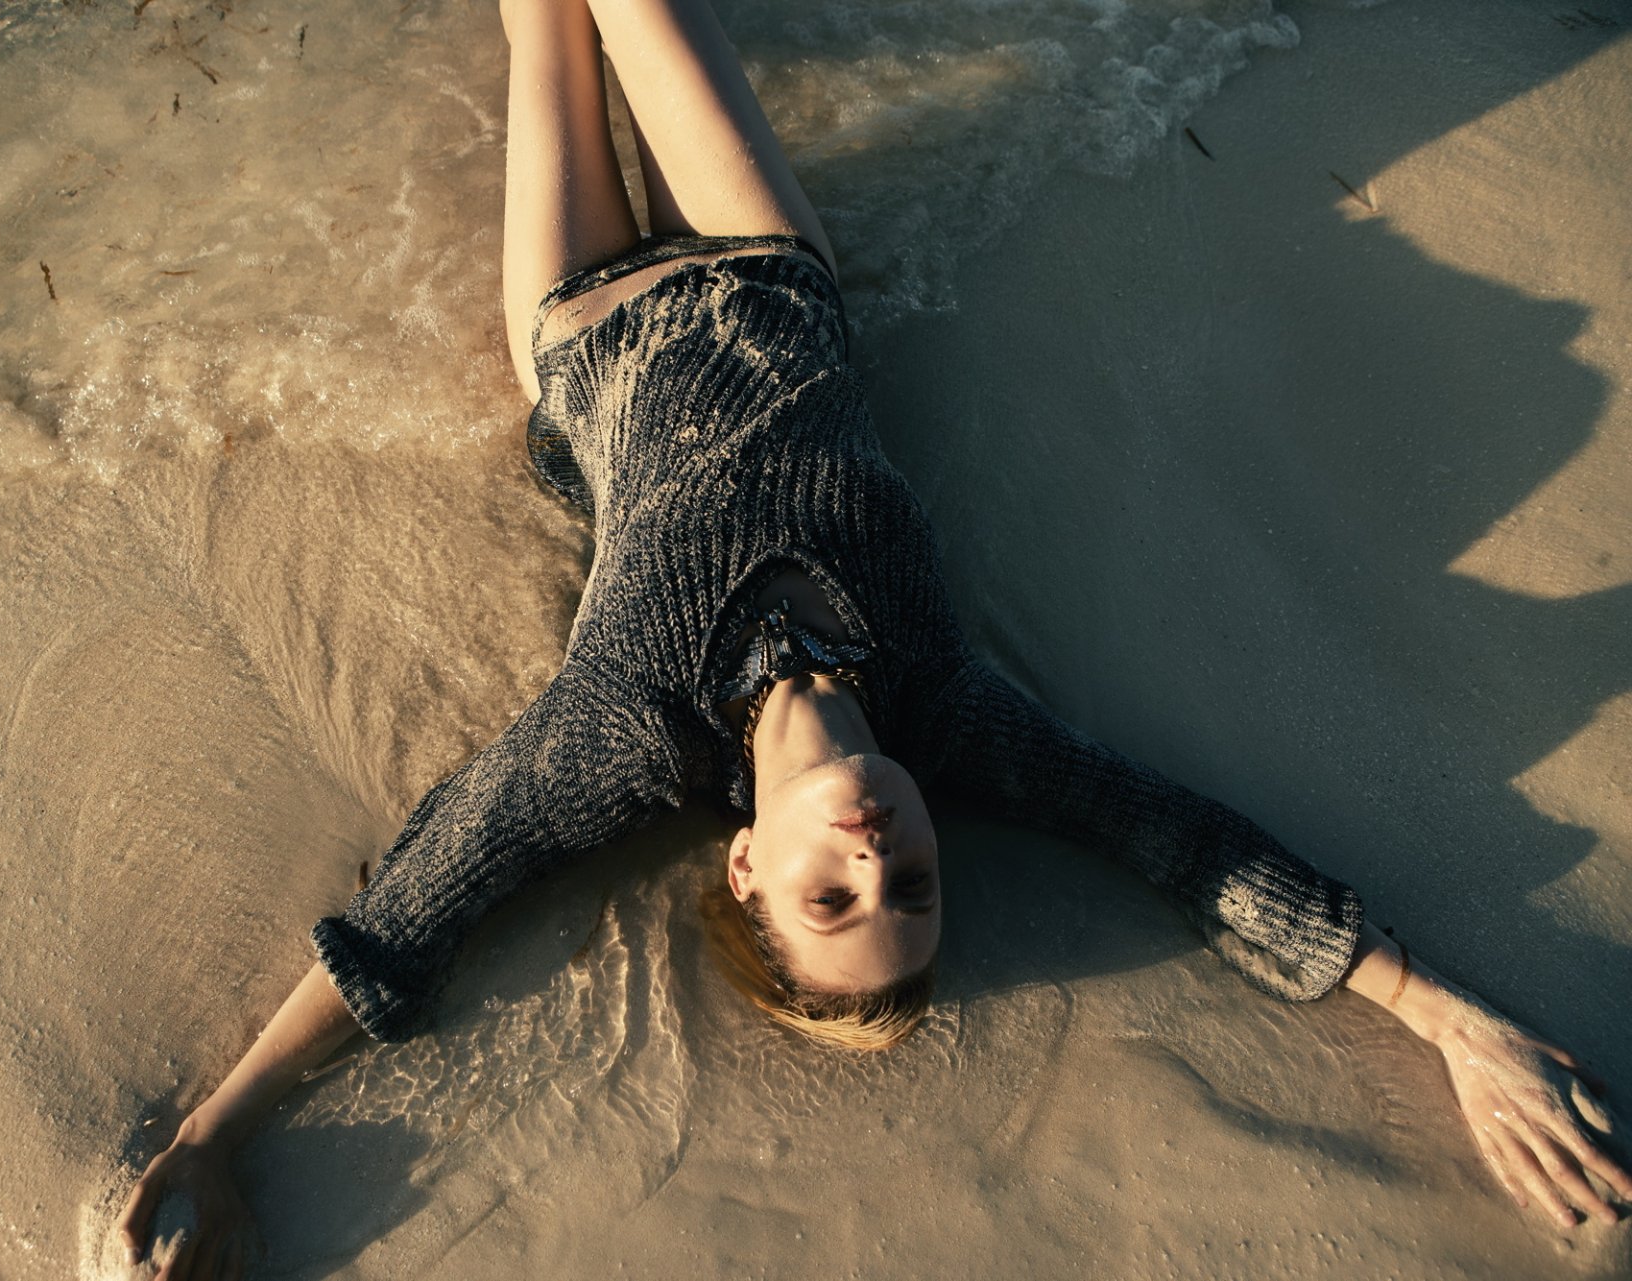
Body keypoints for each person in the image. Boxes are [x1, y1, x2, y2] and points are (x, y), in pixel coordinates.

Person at [115, 0, 1630, 1273]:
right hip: (771, 267)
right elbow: (1190, 852)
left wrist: (212, 1135)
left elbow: (417, 917)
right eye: (909, 878)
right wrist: (1441, 1017)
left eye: (835, 895)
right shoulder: (949, 708)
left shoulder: (625, 731)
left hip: (578, 331)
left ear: (747, 867)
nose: (872, 847)